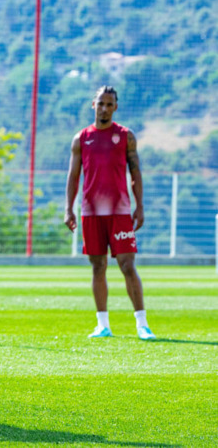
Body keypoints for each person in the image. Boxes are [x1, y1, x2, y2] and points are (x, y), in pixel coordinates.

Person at [64, 86, 155, 341]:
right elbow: (73, 176)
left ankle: (142, 324)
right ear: (93, 105)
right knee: (98, 266)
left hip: (120, 211)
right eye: (101, 103)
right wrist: (68, 209)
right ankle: (102, 325)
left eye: (109, 104)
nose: (104, 108)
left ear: (115, 107)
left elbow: (135, 173)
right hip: (91, 212)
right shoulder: (80, 139)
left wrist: (140, 206)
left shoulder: (126, 136)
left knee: (127, 265)